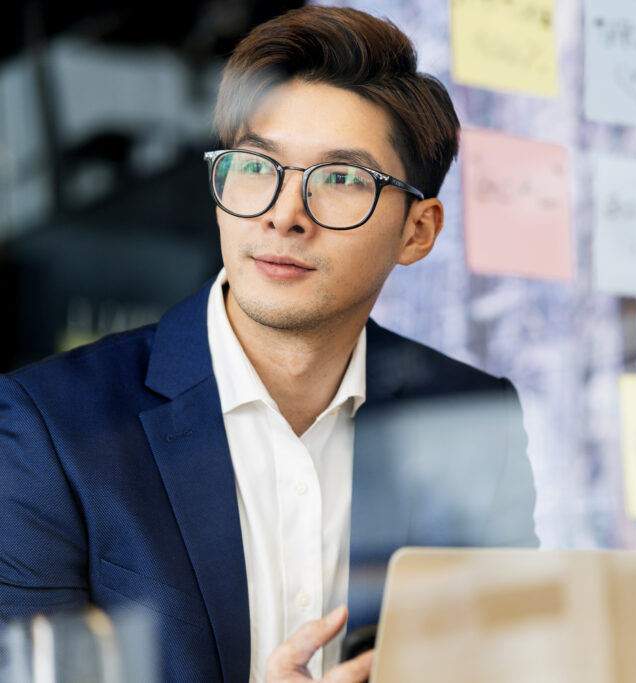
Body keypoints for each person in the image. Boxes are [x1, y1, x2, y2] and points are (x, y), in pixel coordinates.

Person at [0, 6, 538, 683]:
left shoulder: (469, 415)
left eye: (341, 179)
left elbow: (512, 657)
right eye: (257, 167)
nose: (285, 214)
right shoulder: (51, 426)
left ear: (418, 231)